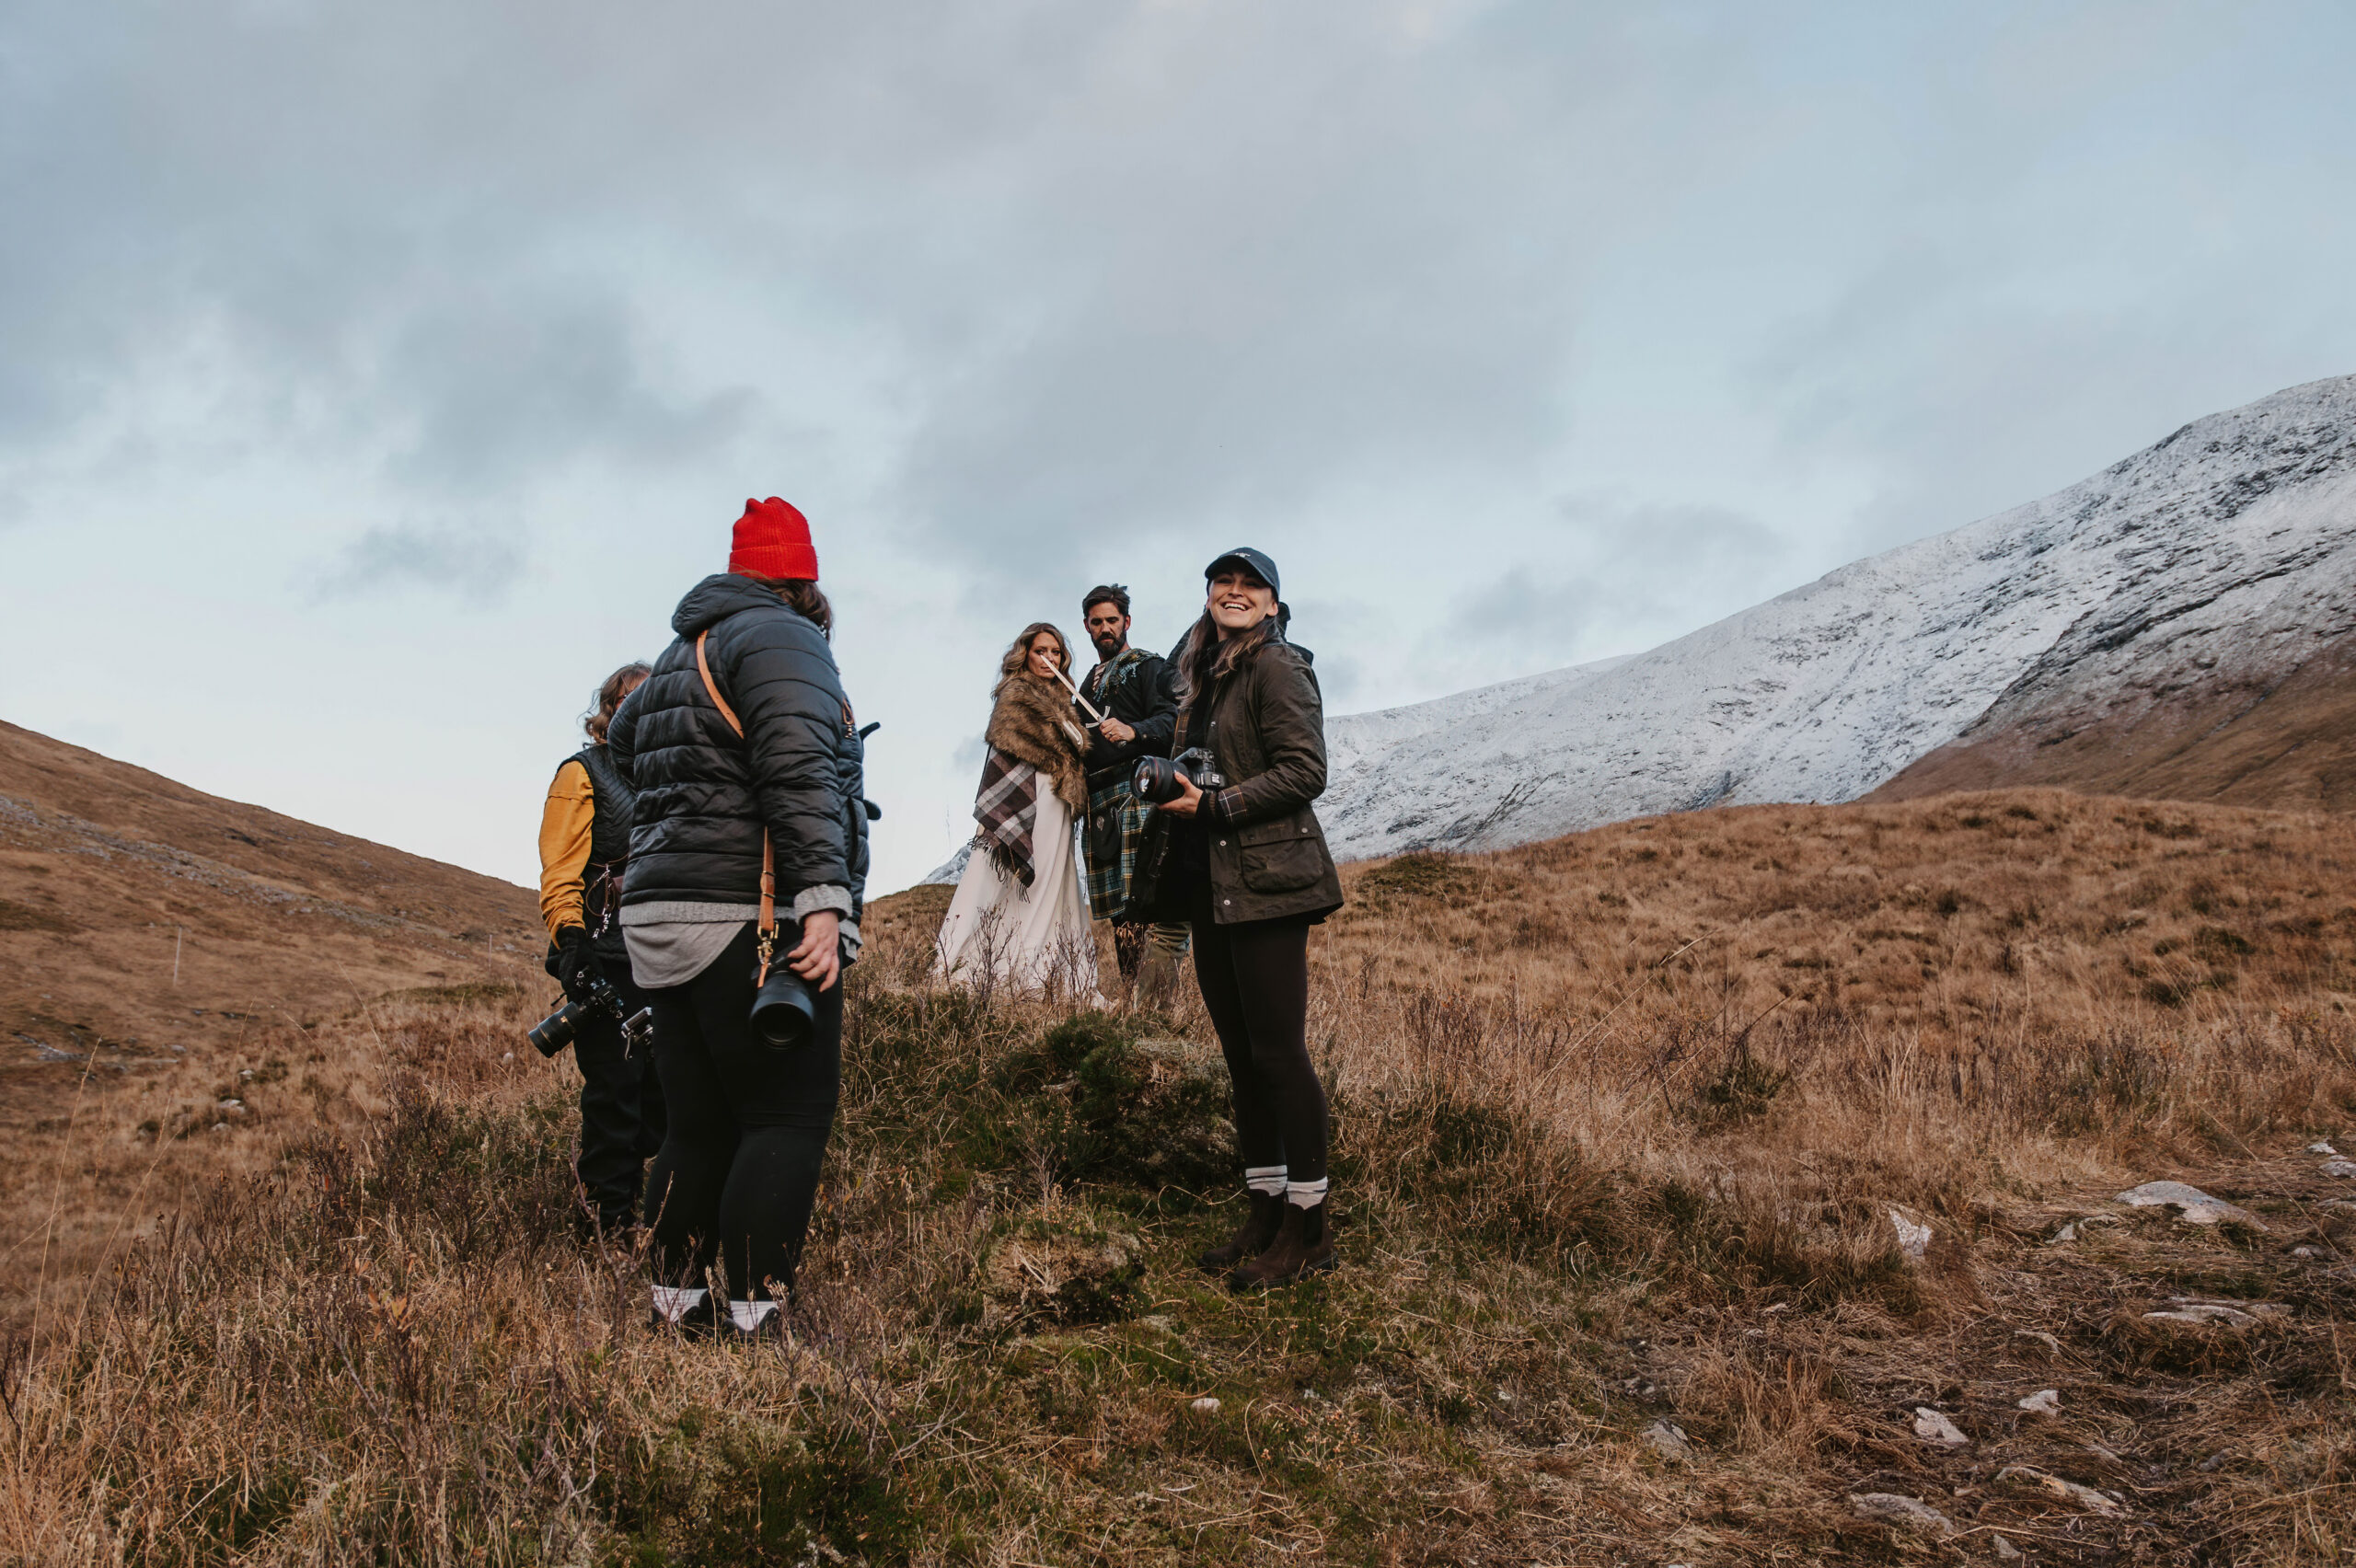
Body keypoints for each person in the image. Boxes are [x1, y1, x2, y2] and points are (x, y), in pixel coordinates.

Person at [605, 496, 869, 1340]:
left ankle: (677, 1310)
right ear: (803, 578)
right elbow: (800, 776)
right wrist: (822, 903)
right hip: (744, 916)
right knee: (785, 1117)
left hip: (659, 914)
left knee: (697, 1125)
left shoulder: (679, 652)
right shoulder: (783, 639)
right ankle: (759, 1322)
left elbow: (621, 742)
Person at [1147, 548, 1345, 1289]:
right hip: (1211, 883)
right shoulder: (1203, 673)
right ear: (1208, 596)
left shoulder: (1277, 666)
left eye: (1250, 584)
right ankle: (1265, 1211)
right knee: (1241, 1057)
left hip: (1267, 881)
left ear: (1271, 603)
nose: (1234, 591)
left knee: (1278, 1055)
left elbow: (1305, 771)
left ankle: (1310, 1227)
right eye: (1222, 582)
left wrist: (1215, 804)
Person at [537, 662, 666, 1238]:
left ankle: (638, 1208)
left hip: (669, 955)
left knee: (663, 1098)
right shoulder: (581, 773)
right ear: (609, 711)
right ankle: (608, 1228)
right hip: (605, 956)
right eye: (629, 703)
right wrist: (571, 941)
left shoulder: (676, 777)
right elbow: (560, 870)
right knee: (615, 1093)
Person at [934, 622, 1099, 996]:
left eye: (1055, 652)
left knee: (1052, 879)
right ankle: (968, 964)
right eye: (1041, 651)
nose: (1049, 659)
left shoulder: (1063, 700)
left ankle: (1042, 969)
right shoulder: (1017, 693)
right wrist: (1067, 744)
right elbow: (1019, 741)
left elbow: (1074, 746)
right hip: (1030, 793)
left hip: (1057, 798)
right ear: (1025, 654)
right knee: (1012, 878)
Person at [1073, 585, 1188, 998]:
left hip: (1137, 793)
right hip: (1098, 801)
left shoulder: (1149, 667)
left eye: (1112, 620)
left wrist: (1134, 730)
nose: (1105, 628)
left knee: (1146, 902)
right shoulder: (1084, 686)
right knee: (1119, 912)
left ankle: (1156, 1001)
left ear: (1127, 622)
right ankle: (1130, 994)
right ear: (1086, 626)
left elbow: (1174, 719)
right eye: (1097, 622)